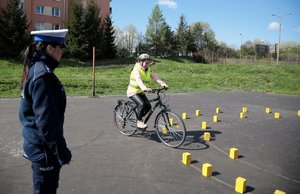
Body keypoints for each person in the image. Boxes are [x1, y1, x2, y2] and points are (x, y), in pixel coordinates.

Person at [19, 29, 72, 194]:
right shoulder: (43, 76)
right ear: (50, 48)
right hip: (44, 150)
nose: (62, 51)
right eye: (61, 47)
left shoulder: (37, 68)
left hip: (39, 145)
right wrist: (62, 153)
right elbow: (47, 122)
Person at [127, 53, 168, 129]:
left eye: (148, 63)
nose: (147, 64)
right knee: (142, 104)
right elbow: (138, 80)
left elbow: (156, 77)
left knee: (148, 106)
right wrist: (144, 88)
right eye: (146, 63)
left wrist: (163, 84)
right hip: (132, 92)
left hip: (140, 92)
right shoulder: (136, 69)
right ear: (140, 62)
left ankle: (138, 118)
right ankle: (139, 121)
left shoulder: (148, 69)